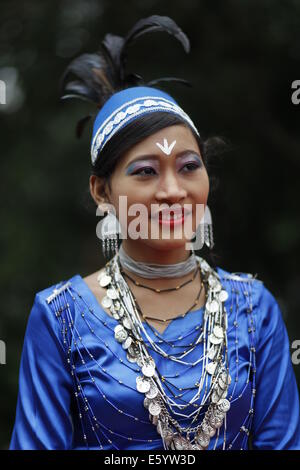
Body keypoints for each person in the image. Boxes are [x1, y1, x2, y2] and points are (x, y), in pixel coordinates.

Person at [9, 15, 300, 450]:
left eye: (188, 167)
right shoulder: (60, 317)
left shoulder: (254, 311)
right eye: (145, 172)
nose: (172, 190)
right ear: (101, 191)